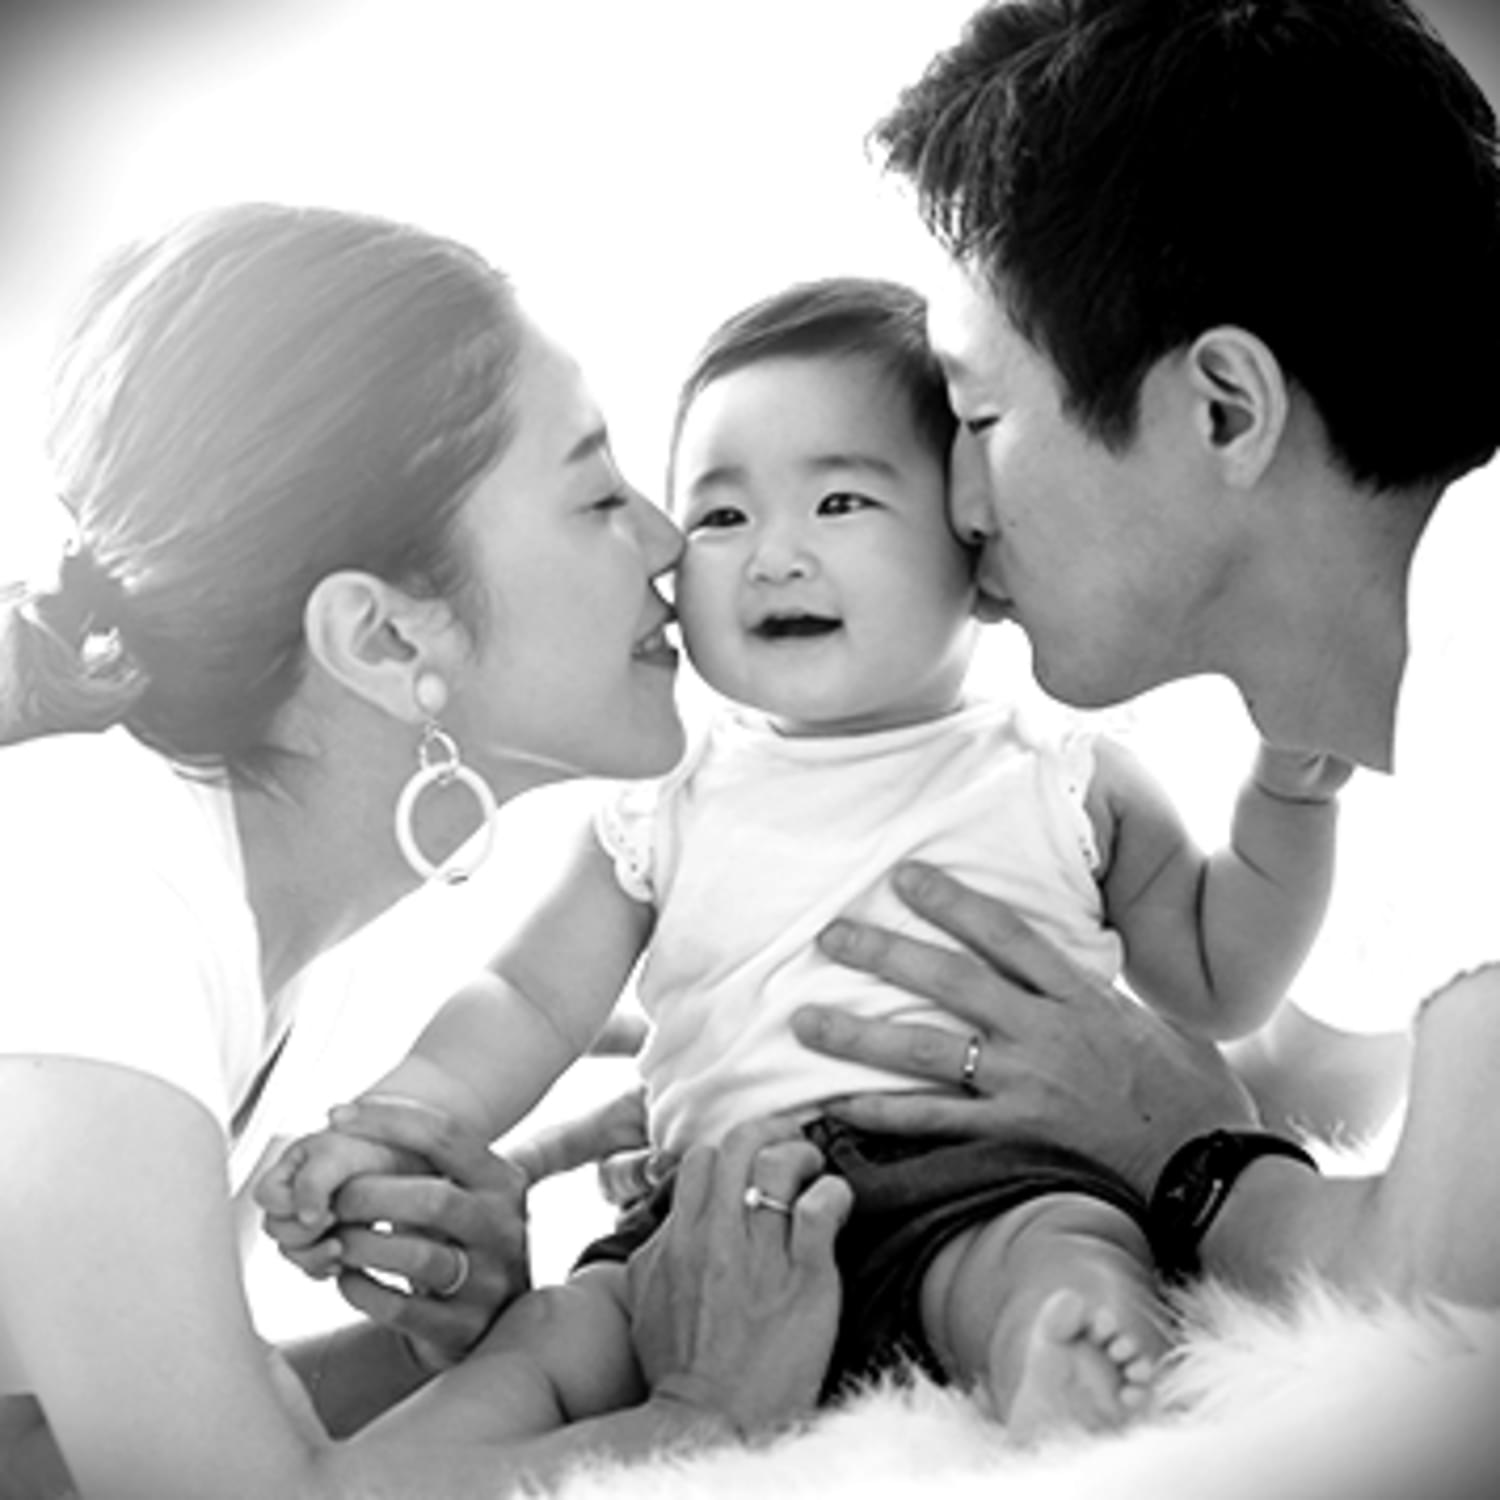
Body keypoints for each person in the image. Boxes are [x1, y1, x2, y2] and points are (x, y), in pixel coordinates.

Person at [260, 275, 1348, 1439]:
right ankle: (403, 1458)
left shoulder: (1063, 776)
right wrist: (405, 1114)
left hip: (989, 1182)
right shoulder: (660, 800)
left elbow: (1218, 979)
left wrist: (1289, 799)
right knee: (560, 1335)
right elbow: (525, 999)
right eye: (721, 517)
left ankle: (1066, 1352)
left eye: (838, 501)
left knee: (1064, 1251)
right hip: (713, 1221)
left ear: (977, 544)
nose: (772, 556)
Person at [0, 202, 854, 1500]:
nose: (670, 541)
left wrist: (449, 1352)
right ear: (386, 639)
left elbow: (44, 1454)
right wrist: (711, 1415)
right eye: (596, 494)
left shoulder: (269, 926)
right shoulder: (88, 886)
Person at [775, 0, 1500, 1311]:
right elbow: (1300, 1094)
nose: (957, 507)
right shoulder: (1391, 738)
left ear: (1225, 410)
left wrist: (1189, 1160)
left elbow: (1451, 1272)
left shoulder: (1486, 593)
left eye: (979, 416)